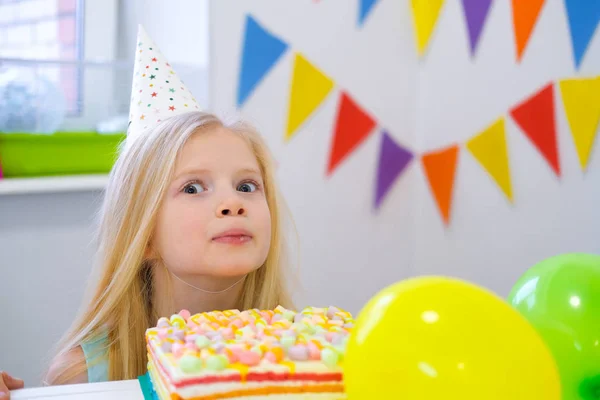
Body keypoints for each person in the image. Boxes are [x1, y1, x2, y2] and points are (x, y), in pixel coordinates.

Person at [42, 26, 295, 385]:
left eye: (247, 185)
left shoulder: (302, 353)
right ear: (143, 235)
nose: (233, 203)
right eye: (193, 187)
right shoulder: (83, 376)